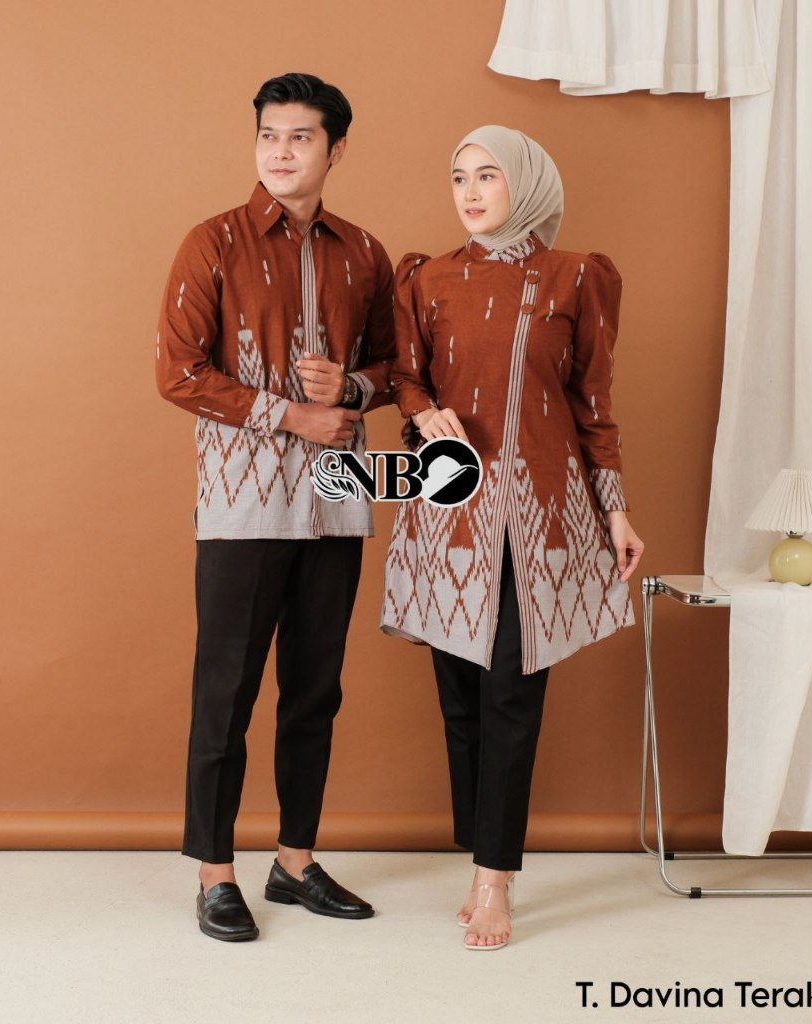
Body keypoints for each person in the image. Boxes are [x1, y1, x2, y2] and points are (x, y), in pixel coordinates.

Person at [380, 125, 643, 950]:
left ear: (524, 184)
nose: (469, 191)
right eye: (458, 176)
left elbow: (592, 401)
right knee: (459, 696)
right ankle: (482, 846)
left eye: (487, 176)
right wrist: (424, 412)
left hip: (540, 515)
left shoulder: (577, 276)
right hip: (448, 512)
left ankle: (494, 879)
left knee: (510, 691)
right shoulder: (426, 278)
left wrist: (615, 507)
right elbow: (406, 374)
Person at [156, 73, 394, 942]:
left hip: (336, 499)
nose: (281, 151)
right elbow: (178, 372)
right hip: (243, 504)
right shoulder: (212, 242)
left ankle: (295, 862)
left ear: (336, 148)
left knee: (315, 691)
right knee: (225, 692)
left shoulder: (363, 252)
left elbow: (396, 366)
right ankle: (215, 874)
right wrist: (293, 414)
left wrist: (354, 388)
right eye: (269, 135)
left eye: (300, 136)